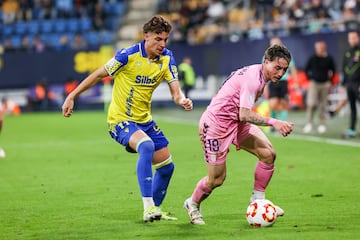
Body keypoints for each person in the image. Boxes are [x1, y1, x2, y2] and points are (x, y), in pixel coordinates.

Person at [62, 15, 193, 222]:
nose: (162, 44)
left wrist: (182, 100)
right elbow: (97, 74)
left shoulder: (167, 59)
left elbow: (175, 92)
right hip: (120, 119)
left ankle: (156, 211)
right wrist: (72, 96)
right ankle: (148, 207)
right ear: (146, 36)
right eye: (158, 39)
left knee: (167, 166)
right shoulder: (128, 56)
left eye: (165, 39)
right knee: (147, 146)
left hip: (145, 121)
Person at [183, 44, 294, 225]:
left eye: (284, 69)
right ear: (266, 62)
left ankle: (257, 202)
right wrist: (275, 122)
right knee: (217, 179)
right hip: (216, 126)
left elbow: (240, 113)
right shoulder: (253, 79)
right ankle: (192, 203)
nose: (281, 73)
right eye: (277, 67)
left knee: (268, 154)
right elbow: (245, 114)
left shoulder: (258, 74)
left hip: (236, 122)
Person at [303, 41, 336, 134]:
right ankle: (309, 123)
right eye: (317, 48)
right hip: (314, 83)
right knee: (311, 103)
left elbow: (333, 70)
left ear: (324, 48)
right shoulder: (312, 58)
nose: (319, 49)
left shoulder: (329, 58)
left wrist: (330, 81)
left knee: (323, 105)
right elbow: (306, 69)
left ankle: (322, 124)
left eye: (320, 48)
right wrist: (310, 78)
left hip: (325, 84)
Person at [265, 37, 298, 130]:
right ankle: (273, 123)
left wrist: (296, 81)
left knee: (283, 103)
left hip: (283, 81)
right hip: (273, 81)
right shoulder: (267, 56)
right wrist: (265, 86)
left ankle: (283, 124)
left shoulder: (286, 55)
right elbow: (264, 71)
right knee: (273, 104)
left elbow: (292, 68)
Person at [340, 31, 360, 138]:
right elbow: (344, 69)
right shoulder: (347, 52)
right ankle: (352, 129)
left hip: (358, 84)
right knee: (352, 108)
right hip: (350, 85)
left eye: (354, 37)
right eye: (350, 38)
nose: (352, 40)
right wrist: (343, 85)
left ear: (358, 38)